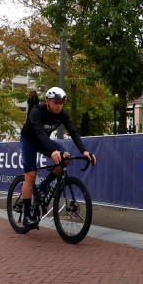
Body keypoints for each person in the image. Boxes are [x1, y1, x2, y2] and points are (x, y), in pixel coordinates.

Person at [19, 87, 96, 226]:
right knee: (31, 175)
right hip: (29, 141)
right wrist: (53, 150)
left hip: (44, 142)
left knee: (66, 158)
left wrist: (85, 151)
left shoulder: (63, 114)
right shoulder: (37, 112)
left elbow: (73, 132)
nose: (59, 105)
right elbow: (39, 132)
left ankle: (44, 185)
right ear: (48, 101)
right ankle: (26, 215)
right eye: (56, 102)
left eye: (61, 102)